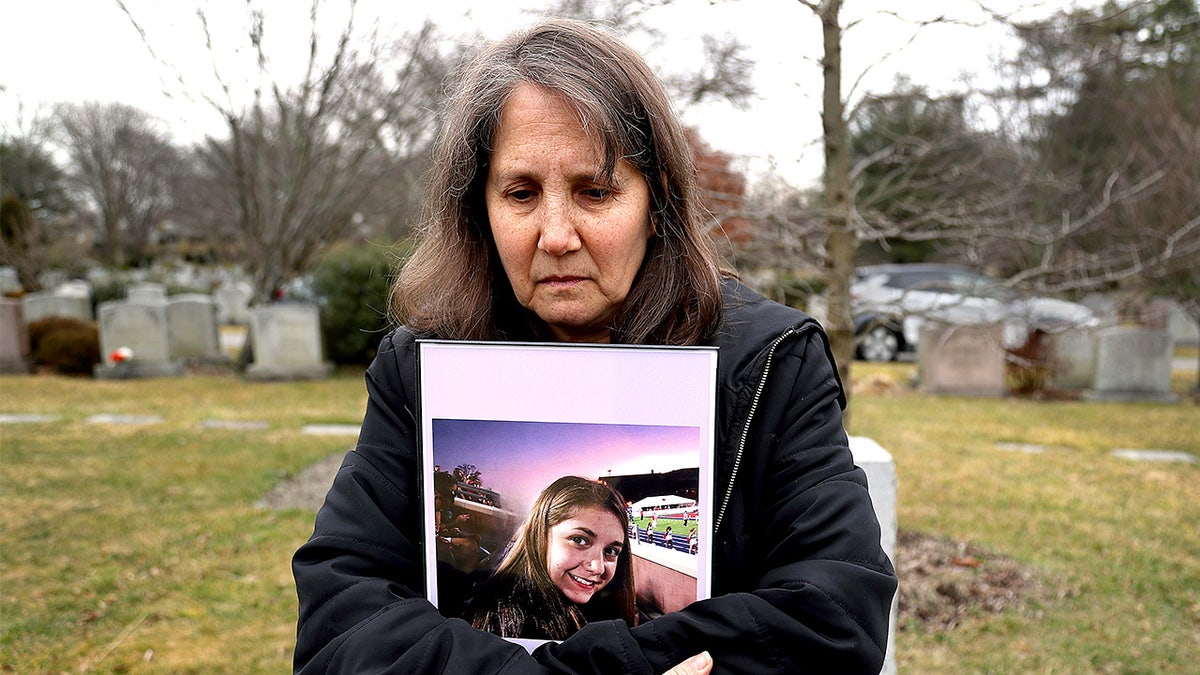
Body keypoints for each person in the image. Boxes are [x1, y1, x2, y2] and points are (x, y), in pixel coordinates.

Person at [293, 18, 896, 674]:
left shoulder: (772, 362)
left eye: (595, 192)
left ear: (656, 200)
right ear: (479, 209)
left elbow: (835, 616)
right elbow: (341, 624)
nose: (556, 234)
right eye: (522, 193)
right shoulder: (422, 367)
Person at [465, 476, 636, 640]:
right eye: (579, 540)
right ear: (540, 535)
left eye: (611, 551)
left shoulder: (585, 607)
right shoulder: (517, 622)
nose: (597, 567)